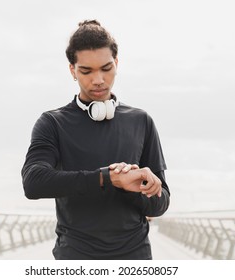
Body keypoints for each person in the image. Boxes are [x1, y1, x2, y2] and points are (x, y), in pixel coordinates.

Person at [21, 19, 170, 260]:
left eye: (106, 68)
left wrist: (145, 188)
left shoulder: (141, 121)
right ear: (72, 70)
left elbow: (160, 205)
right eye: (86, 71)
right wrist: (107, 178)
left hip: (135, 258)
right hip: (75, 258)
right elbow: (33, 183)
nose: (98, 79)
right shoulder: (52, 122)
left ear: (117, 64)